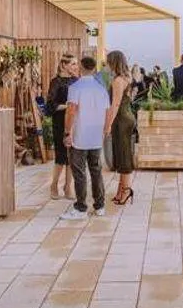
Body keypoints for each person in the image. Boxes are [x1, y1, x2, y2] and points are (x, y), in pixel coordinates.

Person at [61, 56, 110, 219]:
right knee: (96, 171)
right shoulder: (101, 88)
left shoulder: (75, 87)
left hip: (79, 135)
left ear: (81, 68)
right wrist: (105, 130)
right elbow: (107, 111)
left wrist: (67, 132)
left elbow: (71, 111)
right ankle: (100, 206)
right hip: (96, 135)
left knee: (79, 172)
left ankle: (81, 208)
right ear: (94, 68)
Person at [105, 50, 136, 206]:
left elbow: (115, 104)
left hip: (122, 119)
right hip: (127, 117)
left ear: (114, 62)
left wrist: (108, 125)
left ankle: (126, 191)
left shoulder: (118, 80)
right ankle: (120, 190)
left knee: (123, 156)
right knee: (121, 154)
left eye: (108, 62)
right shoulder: (127, 77)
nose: (107, 65)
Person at [47, 54, 79, 200]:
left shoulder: (76, 81)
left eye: (76, 64)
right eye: (73, 64)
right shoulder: (55, 82)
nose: (75, 67)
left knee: (72, 156)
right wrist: (68, 106)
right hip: (60, 122)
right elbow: (50, 105)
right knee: (61, 156)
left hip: (74, 122)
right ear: (64, 65)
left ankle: (68, 187)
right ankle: (54, 185)